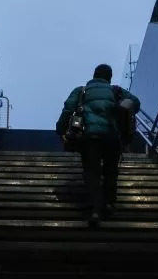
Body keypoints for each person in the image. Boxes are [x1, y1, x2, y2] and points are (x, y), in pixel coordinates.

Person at [55, 64, 141, 224]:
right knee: (111, 171)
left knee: (91, 171)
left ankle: (94, 210)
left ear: (94, 76)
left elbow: (68, 109)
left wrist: (60, 128)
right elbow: (135, 103)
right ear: (109, 78)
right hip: (113, 136)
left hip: (89, 136)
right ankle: (108, 204)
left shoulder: (81, 90)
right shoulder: (117, 91)